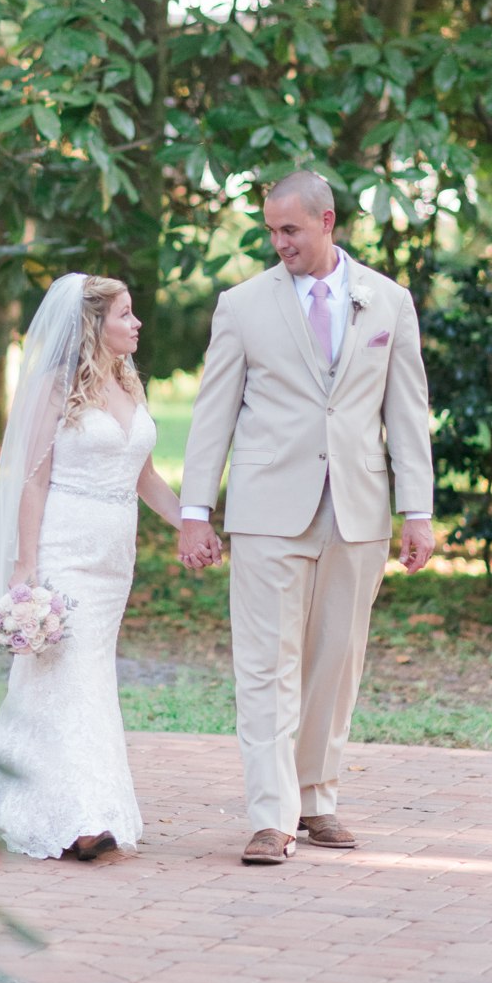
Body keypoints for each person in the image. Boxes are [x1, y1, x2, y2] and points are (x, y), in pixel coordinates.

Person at [178, 171, 434, 865]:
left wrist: (417, 510)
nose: (277, 242)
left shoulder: (387, 300)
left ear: (327, 222)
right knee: (264, 665)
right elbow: (212, 414)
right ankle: (270, 815)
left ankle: (316, 798)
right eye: (269, 230)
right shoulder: (240, 305)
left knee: (335, 661)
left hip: (357, 510)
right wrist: (194, 512)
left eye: (288, 229)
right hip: (266, 511)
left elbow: (405, 411)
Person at [0, 273, 182, 861]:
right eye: (125, 313)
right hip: (64, 547)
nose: (136, 323)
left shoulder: (127, 383)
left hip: (115, 557)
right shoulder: (54, 388)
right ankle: (84, 816)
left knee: (88, 673)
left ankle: (38, 797)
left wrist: (191, 523)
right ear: (94, 325)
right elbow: (32, 478)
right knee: (67, 674)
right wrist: (25, 565)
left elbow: (144, 477)